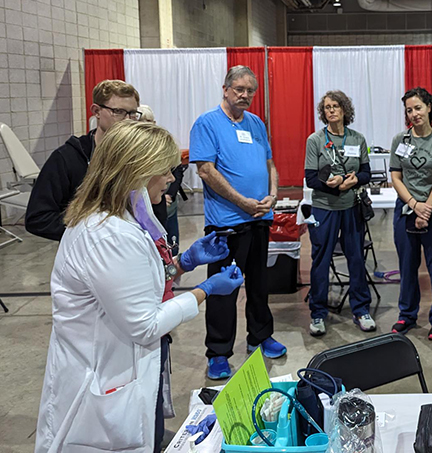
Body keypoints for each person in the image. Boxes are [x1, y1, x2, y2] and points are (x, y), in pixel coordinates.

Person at [34, 121, 244, 453]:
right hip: (99, 376)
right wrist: (206, 290)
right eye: (165, 169)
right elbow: (143, 323)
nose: (172, 178)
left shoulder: (127, 214)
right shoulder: (108, 234)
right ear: (137, 170)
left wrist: (184, 262)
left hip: (122, 365)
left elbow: (132, 285)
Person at [190, 65, 285, 380]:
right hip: (227, 223)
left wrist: (272, 194)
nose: (245, 95)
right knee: (223, 289)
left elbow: (269, 163)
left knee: (259, 284)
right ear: (225, 88)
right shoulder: (207, 123)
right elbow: (205, 170)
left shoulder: (256, 123)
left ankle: (260, 336)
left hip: (260, 218)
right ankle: (218, 352)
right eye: (239, 89)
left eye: (250, 91)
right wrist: (242, 202)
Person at [26, 79, 141, 241]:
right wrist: (91, 232)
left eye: (132, 113)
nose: (128, 120)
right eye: (118, 111)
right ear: (96, 111)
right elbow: (38, 218)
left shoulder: (139, 155)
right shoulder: (67, 158)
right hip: (87, 253)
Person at [304, 90, 375, 336]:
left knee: (355, 257)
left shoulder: (357, 139)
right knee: (321, 259)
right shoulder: (315, 140)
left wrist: (353, 182)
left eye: (335, 106)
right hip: (325, 207)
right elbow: (311, 178)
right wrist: (332, 186)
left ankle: (361, 309)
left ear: (345, 110)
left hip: (352, 207)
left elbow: (366, 172)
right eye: (326, 107)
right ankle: (318, 313)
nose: (331, 110)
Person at [389, 87, 432, 341]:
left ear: (429, 107)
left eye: (418, 107)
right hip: (407, 209)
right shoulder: (400, 140)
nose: (414, 114)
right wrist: (414, 205)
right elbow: (395, 177)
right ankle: (407, 314)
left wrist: (425, 208)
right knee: (407, 266)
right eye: (409, 110)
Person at [139, 104, 186, 249]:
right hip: (147, 206)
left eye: (149, 122)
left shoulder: (163, 145)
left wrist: (169, 195)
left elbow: (176, 172)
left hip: (164, 203)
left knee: (170, 244)